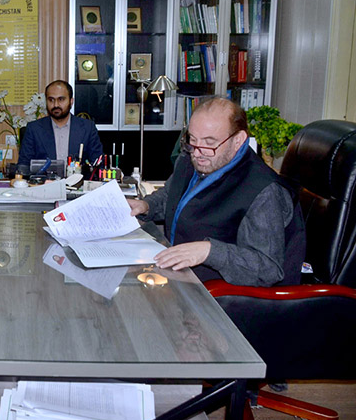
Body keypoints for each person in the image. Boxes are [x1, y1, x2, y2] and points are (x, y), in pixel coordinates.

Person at [127, 97, 306, 286]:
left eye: (209, 142)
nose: (197, 152)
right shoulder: (194, 158)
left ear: (238, 140)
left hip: (224, 298)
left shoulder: (264, 192)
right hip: (180, 278)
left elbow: (266, 268)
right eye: (192, 140)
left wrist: (210, 252)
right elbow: (172, 196)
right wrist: (146, 205)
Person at [17, 80, 103, 170]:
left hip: (78, 183)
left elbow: (98, 163)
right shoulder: (34, 129)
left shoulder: (87, 128)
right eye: (51, 100)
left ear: (71, 101)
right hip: (45, 183)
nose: (56, 105)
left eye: (61, 99)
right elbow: (24, 166)